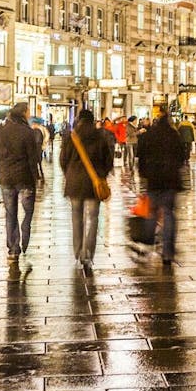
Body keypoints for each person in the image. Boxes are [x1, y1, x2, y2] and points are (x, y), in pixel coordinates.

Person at [134, 109, 189, 266]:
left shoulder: (149, 135)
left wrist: (145, 174)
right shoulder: (174, 135)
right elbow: (181, 157)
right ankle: (168, 252)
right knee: (169, 214)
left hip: (154, 180)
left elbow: (141, 157)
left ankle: (147, 244)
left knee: (152, 213)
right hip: (171, 181)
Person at [61, 109, 114, 272]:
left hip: (75, 183)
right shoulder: (101, 136)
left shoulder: (71, 136)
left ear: (78, 119)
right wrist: (101, 176)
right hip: (93, 182)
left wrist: (69, 174)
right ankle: (88, 253)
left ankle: (78, 251)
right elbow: (108, 160)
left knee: (76, 217)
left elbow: (63, 160)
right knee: (93, 218)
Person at [0, 103, 44, 260]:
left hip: (6, 179)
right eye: (28, 111)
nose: (29, 114)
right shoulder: (27, 132)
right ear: (23, 113)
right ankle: (25, 227)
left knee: (10, 213)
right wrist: (35, 178)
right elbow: (32, 158)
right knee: (28, 211)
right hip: (25, 179)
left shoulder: (0, 132)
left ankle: (13, 248)